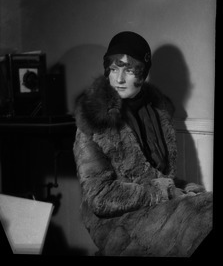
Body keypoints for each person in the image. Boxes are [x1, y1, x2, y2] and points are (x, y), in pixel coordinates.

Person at [73, 31, 212, 257]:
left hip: (156, 210)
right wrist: (166, 193)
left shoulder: (156, 111)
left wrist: (184, 190)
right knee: (201, 221)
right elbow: (99, 197)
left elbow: (158, 175)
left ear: (144, 73)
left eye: (129, 70)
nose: (118, 79)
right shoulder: (94, 119)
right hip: (116, 223)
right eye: (113, 68)